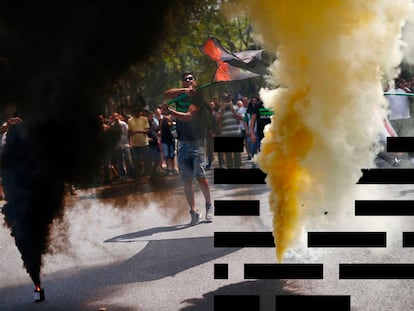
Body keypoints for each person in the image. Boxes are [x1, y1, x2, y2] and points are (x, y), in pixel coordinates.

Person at [163, 72, 213, 225]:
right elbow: (166, 94)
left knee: (201, 178)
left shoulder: (199, 98)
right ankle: (193, 211)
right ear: (183, 82)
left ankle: (208, 205)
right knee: (187, 180)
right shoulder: (182, 94)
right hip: (182, 143)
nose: (188, 81)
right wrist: (183, 91)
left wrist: (169, 111)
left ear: (195, 82)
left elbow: (187, 116)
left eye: (191, 79)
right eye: (186, 79)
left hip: (197, 142)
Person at [216, 93, 243, 169]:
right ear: (223, 101)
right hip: (226, 134)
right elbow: (217, 121)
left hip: (236, 133)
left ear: (230, 100)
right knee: (228, 156)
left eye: (228, 100)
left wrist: (233, 111)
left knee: (237, 155)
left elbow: (241, 118)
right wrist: (222, 111)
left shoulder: (236, 108)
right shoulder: (220, 110)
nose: (227, 101)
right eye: (225, 100)